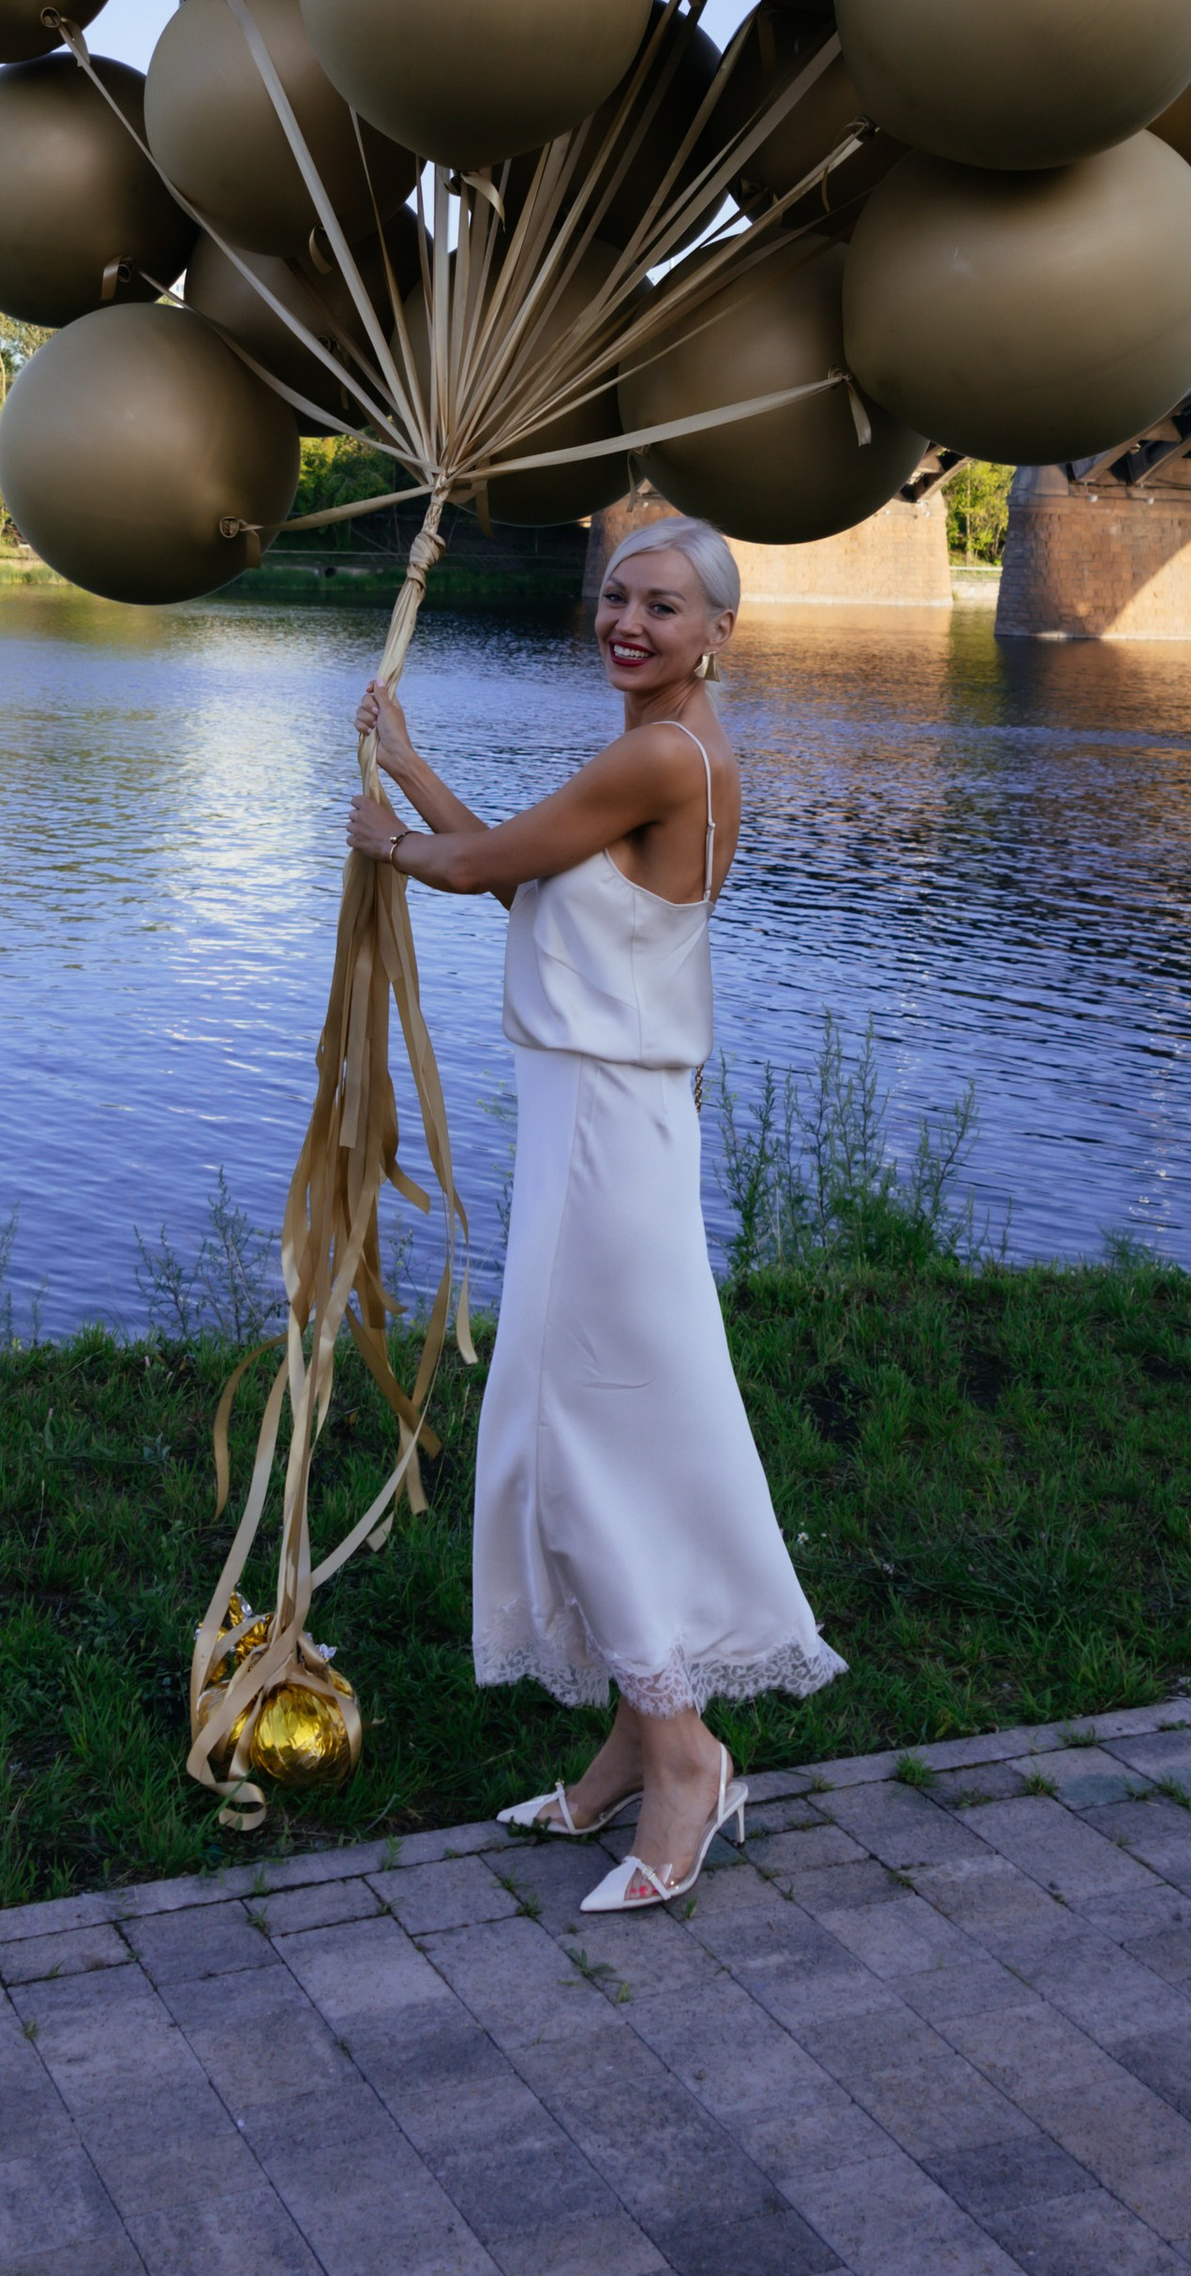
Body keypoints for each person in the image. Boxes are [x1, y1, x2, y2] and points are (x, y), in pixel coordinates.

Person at [346, 515, 840, 1913]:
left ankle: (687, 1758)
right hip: (601, 1123)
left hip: (606, 1144)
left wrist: (387, 836)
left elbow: (472, 867)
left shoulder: (659, 754)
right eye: (617, 598)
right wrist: (410, 762)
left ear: (716, 636)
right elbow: (519, 860)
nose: (628, 623)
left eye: (664, 607)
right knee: (588, 1425)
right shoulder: (671, 754)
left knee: (568, 1439)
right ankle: (635, 1736)